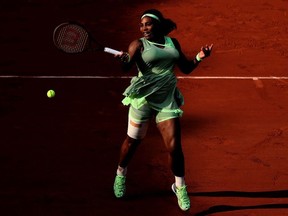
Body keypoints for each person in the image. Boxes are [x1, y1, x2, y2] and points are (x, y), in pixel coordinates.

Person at [113, 9, 213, 211]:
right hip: (143, 100)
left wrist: (200, 57)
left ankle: (180, 186)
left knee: (175, 147)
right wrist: (124, 60)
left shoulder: (172, 43)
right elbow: (126, 67)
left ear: (158, 24)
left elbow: (185, 68)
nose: (144, 28)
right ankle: (120, 174)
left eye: (148, 24)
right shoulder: (138, 45)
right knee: (132, 142)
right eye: (141, 25)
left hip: (166, 101)